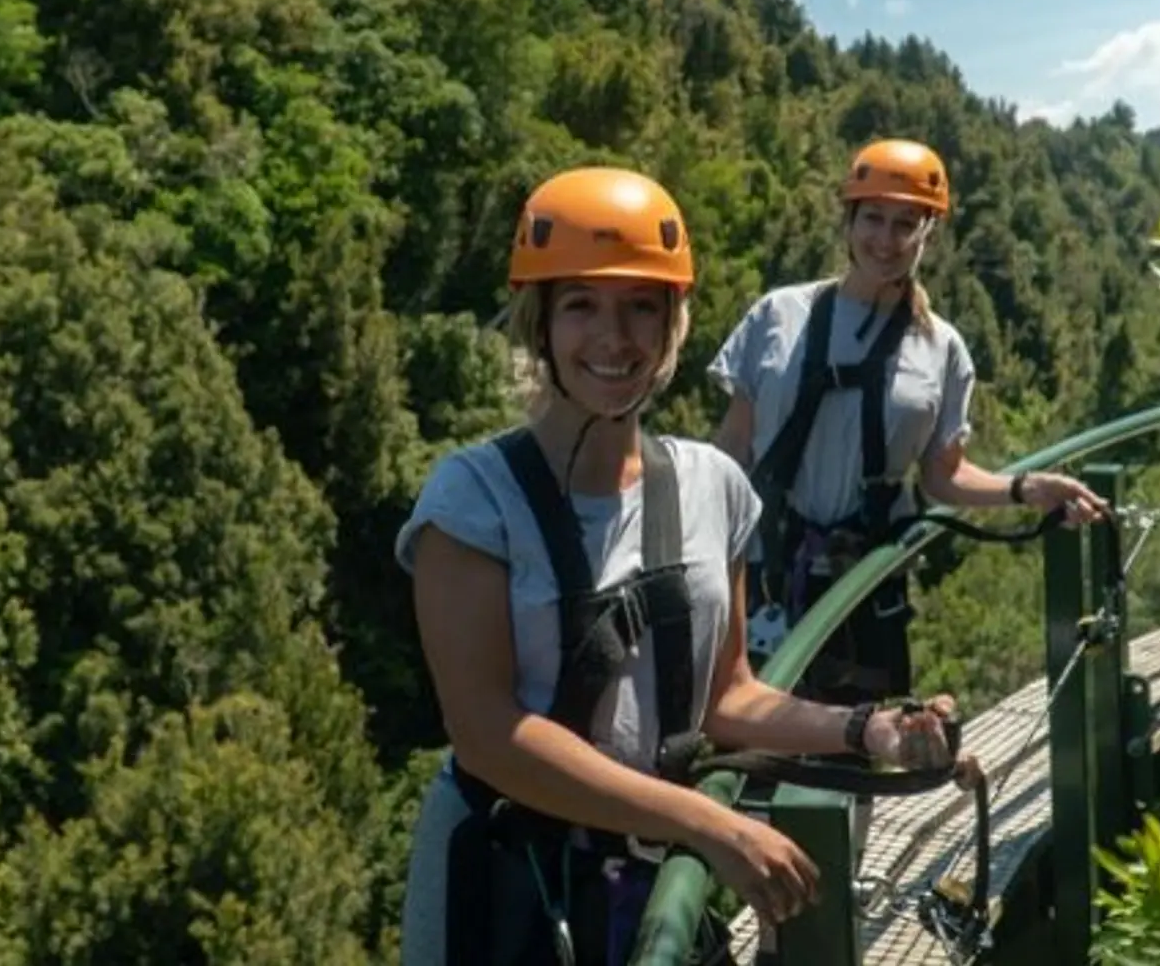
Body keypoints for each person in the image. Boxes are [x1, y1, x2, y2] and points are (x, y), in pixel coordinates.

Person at [396, 165, 976, 966]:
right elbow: (489, 733)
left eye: (642, 305)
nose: (614, 336)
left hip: (645, 874)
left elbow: (726, 695)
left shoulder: (713, 487)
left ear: (673, 324)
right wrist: (706, 820)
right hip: (505, 884)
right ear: (539, 325)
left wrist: (866, 727)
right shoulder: (472, 502)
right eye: (581, 306)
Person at [710, 138, 1110, 705]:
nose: (886, 239)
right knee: (749, 747)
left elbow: (943, 477)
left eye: (905, 224)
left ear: (928, 234)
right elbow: (734, 448)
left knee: (859, 751)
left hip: (866, 584)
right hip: (762, 573)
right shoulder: (778, 316)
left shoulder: (940, 349)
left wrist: (1026, 488)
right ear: (848, 221)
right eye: (872, 218)